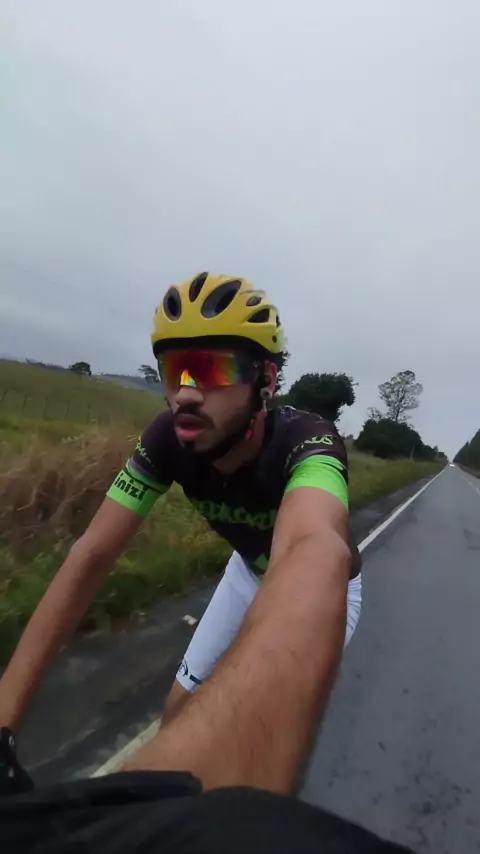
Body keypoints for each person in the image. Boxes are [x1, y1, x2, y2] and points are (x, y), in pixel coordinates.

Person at [0, 271, 361, 752]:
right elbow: (90, 556)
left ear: (267, 380)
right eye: (175, 370)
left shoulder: (309, 442)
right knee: (177, 713)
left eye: (212, 369)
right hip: (246, 573)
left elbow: (310, 547)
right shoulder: (166, 439)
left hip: (320, 590)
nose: (186, 392)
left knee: (244, 738)